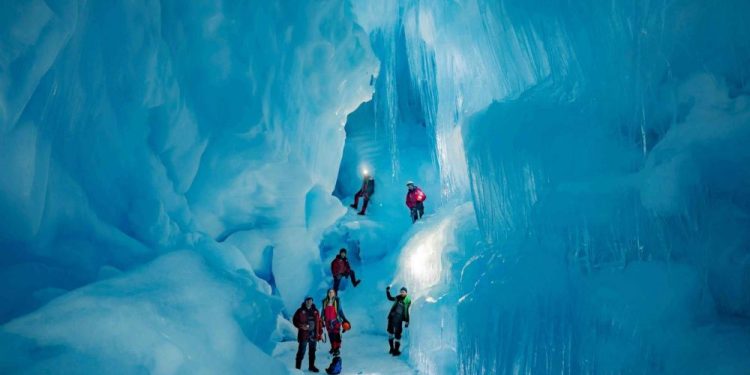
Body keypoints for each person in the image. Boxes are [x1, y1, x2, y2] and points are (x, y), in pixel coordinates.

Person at [293, 297, 323, 372]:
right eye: (307, 301)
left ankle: (311, 366)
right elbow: (295, 321)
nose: (309, 302)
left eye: (310, 301)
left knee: (312, 352)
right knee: (301, 352)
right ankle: (297, 369)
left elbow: (319, 322)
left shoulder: (315, 311)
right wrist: (301, 326)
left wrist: (320, 333)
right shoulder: (300, 311)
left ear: (312, 301)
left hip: (313, 335)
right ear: (305, 301)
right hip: (304, 335)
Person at [321, 289, 349, 357]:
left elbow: (340, 311)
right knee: (331, 335)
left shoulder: (337, 301)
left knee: (336, 335)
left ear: (334, 293)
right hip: (327, 321)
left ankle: (337, 349)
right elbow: (323, 311)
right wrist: (321, 319)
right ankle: (333, 347)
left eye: (332, 292)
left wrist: (345, 319)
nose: (331, 293)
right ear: (328, 293)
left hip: (336, 321)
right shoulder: (325, 301)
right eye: (329, 292)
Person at [385, 286, 411, 356]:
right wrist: (388, 291)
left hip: (398, 319)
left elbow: (406, 311)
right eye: (401, 291)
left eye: (403, 292)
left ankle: (396, 351)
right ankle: (391, 349)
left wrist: (407, 321)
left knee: (397, 335)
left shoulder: (407, 300)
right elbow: (390, 298)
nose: (402, 293)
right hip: (391, 317)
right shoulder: (398, 297)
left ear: (406, 292)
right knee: (390, 332)